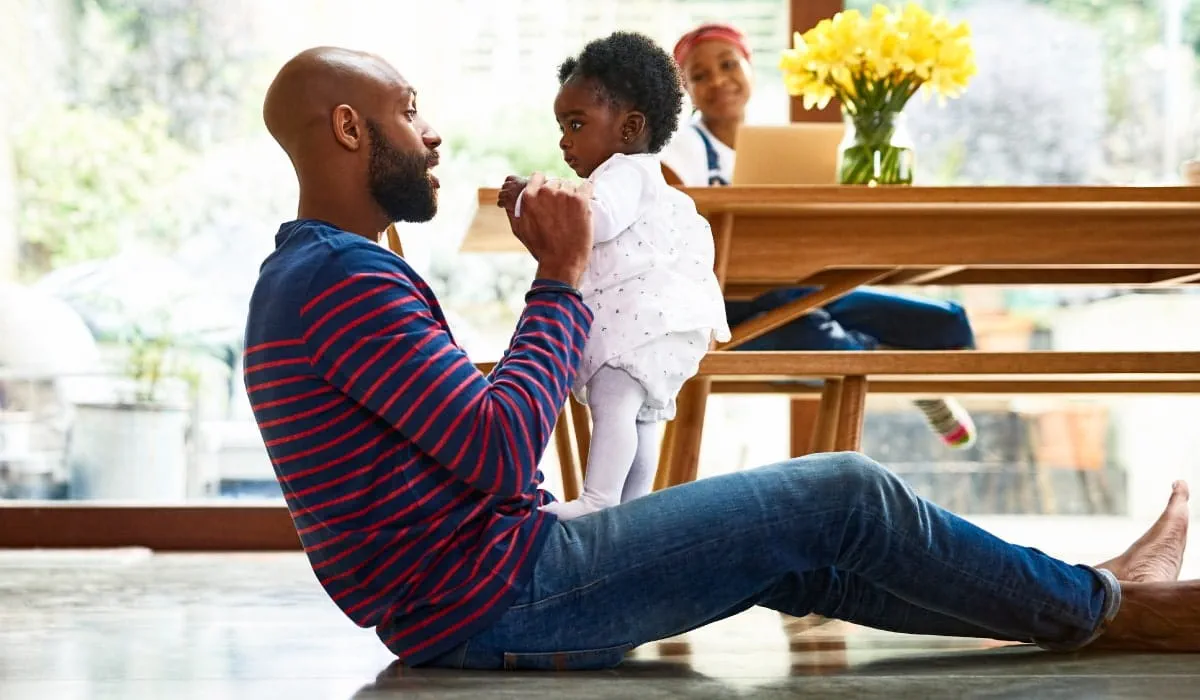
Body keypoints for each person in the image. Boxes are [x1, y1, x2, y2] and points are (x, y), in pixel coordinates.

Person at [246, 45, 1200, 672]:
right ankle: (1116, 604)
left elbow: (472, 436)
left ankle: (1077, 598)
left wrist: (558, 311)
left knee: (813, 555)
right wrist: (564, 276)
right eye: (412, 113)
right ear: (348, 129)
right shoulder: (341, 279)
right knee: (842, 494)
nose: (434, 133)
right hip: (501, 596)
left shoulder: (320, 274)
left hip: (473, 598)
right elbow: (501, 449)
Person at [659, 23, 977, 449]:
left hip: (802, 287)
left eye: (728, 64)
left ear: (750, 67)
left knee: (947, 325)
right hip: (730, 304)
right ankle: (905, 379)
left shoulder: (788, 147)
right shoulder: (680, 149)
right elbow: (670, 235)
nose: (718, 80)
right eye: (699, 76)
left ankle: (874, 360)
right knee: (811, 339)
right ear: (686, 90)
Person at [495, 32, 730, 521]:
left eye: (576, 124)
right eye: (561, 125)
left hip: (635, 325)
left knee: (613, 405)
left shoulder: (624, 172)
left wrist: (528, 196)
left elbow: (589, 223)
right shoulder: (639, 174)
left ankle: (600, 499)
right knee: (640, 417)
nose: (564, 140)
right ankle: (632, 512)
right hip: (655, 327)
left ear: (629, 128)